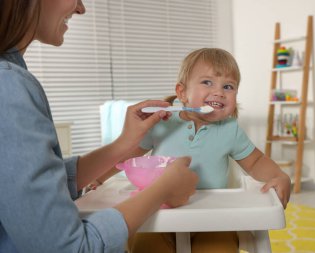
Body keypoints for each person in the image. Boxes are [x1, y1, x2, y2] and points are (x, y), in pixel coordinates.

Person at [0, 1, 198, 253]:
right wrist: (163, 189)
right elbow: (69, 248)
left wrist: (122, 144)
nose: (81, 8)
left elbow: (23, 189)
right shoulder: (8, 86)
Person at [96, 48, 291, 252]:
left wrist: (278, 175)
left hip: (214, 217)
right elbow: (128, 156)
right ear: (182, 93)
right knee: (146, 246)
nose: (219, 92)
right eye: (207, 82)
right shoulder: (162, 124)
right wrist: (99, 177)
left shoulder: (230, 129)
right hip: (159, 213)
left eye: (228, 86)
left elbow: (255, 161)